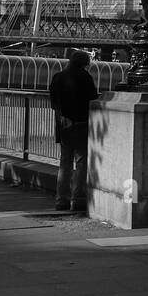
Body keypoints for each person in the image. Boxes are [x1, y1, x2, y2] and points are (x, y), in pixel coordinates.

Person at [49, 49, 99, 211]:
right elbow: (93, 100)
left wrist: (63, 117)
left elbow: (54, 103)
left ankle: (61, 200)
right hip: (82, 124)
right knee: (81, 162)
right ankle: (78, 199)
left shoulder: (58, 77)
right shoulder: (85, 77)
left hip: (64, 126)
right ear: (84, 63)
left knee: (65, 163)